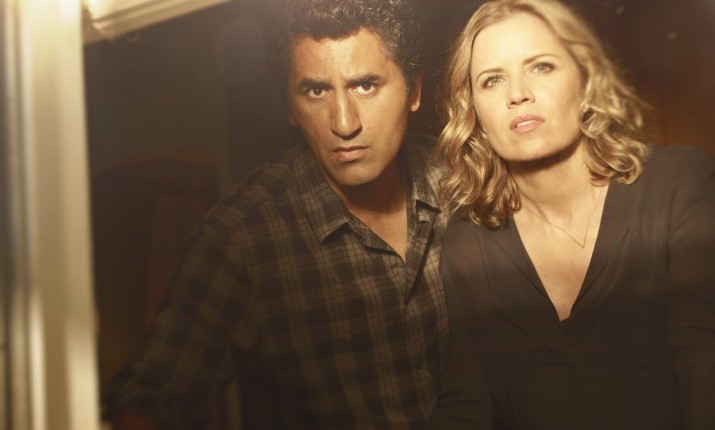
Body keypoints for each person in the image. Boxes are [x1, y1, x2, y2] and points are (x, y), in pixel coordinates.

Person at [103, 0, 450, 428]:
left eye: (365, 85)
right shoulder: (243, 237)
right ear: (289, 105)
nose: (344, 124)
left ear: (414, 90)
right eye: (316, 91)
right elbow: (147, 402)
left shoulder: (460, 180)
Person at [427, 0, 715, 429]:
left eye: (541, 66)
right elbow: (469, 403)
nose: (517, 94)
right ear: (474, 112)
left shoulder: (681, 185)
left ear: (586, 80)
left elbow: (703, 360)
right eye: (492, 80)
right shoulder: (469, 242)